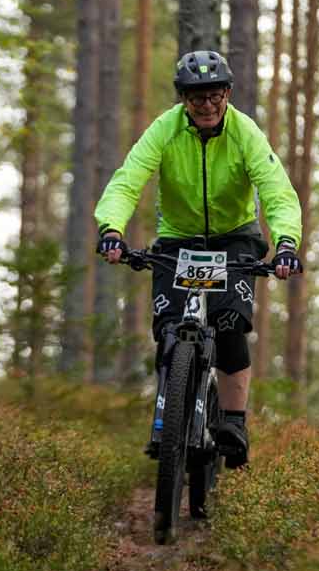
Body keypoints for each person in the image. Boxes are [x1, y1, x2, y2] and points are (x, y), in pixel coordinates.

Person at [94, 50, 304, 468]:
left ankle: (234, 422)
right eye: (196, 98)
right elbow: (128, 181)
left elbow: (276, 191)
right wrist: (111, 229)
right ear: (183, 99)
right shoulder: (165, 129)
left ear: (227, 94)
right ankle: (168, 419)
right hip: (178, 238)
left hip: (234, 239)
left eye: (214, 96)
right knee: (169, 328)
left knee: (228, 325)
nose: (206, 105)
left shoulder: (245, 132)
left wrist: (285, 243)